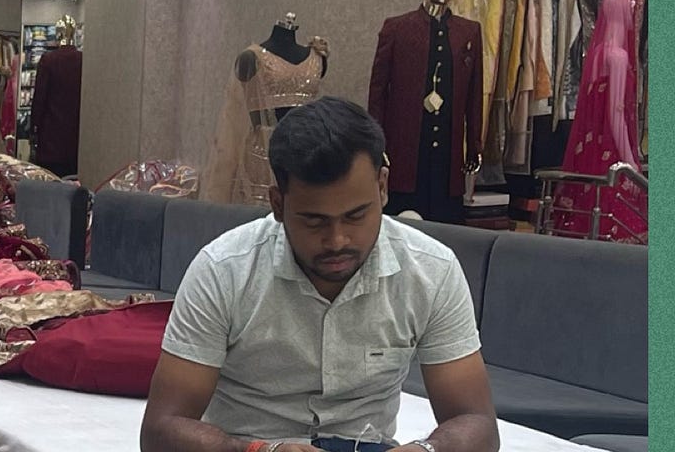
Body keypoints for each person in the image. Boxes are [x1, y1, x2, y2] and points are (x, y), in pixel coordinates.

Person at [140, 97, 498, 452]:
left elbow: (478, 425)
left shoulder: (431, 271)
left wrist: (426, 451)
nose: (337, 240)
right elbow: (160, 431)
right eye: (315, 221)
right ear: (278, 205)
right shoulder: (223, 271)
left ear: (383, 187)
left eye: (356, 215)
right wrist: (258, 451)